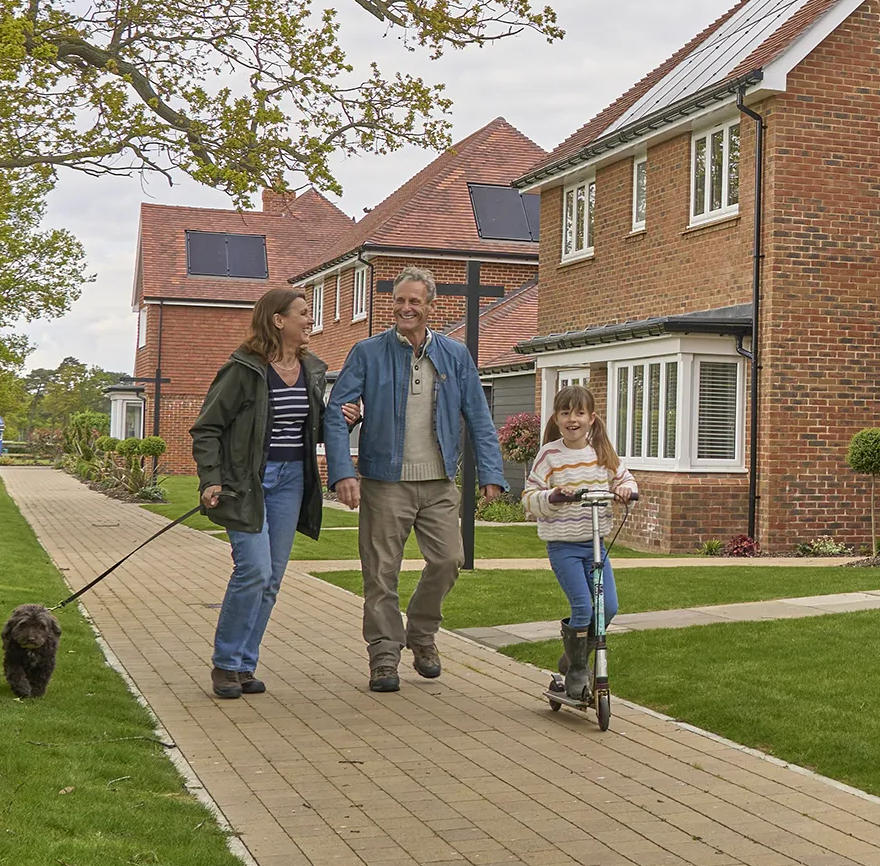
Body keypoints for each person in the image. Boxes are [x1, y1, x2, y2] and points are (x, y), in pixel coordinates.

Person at [324, 265, 505, 692]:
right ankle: (384, 655)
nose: (406, 308)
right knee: (381, 573)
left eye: (414, 301)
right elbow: (338, 412)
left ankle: (421, 632)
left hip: (439, 481)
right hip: (385, 481)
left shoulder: (455, 356)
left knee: (448, 560)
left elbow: (478, 416)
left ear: (431, 306)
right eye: (400, 300)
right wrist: (342, 472)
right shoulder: (367, 352)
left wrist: (491, 473)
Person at [189, 285, 329, 700]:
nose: (309, 320)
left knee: (273, 578)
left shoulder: (313, 369)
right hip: (246, 483)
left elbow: (312, 428)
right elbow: (207, 428)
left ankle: (245, 666)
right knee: (254, 570)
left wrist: (346, 419)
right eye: (303, 313)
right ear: (278, 320)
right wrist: (211, 478)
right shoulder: (244, 368)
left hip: (291, 481)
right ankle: (226, 664)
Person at [521, 382, 637, 706]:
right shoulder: (549, 455)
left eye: (579, 413)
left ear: (592, 418)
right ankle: (576, 672)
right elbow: (529, 497)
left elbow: (624, 478)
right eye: (565, 412)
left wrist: (626, 489)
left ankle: (574, 661)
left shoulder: (602, 452)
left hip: (596, 545)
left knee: (608, 607)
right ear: (556, 418)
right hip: (564, 546)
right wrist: (552, 497)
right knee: (584, 608)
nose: (573, 419)